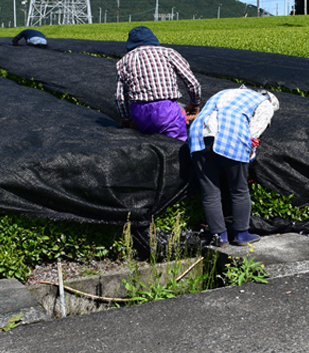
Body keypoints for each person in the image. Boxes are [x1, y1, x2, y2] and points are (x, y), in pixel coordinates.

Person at [188, 86, 279, 247]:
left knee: (210, 191)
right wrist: (249, 156)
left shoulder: (224, 92)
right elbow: (253, 134)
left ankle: (220, 237)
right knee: (239, 188)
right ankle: (241, 234)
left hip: (198, 134)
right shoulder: (265, 104)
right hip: (231, 135)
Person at [115, 26, 201, 141]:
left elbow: (120, 97)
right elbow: (192, 83)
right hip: (166, 110)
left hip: (140, 111)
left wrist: (126, 119)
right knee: (176, 145)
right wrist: (194, 103)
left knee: (149, 143)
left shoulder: (123, 61)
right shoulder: (168, 53)